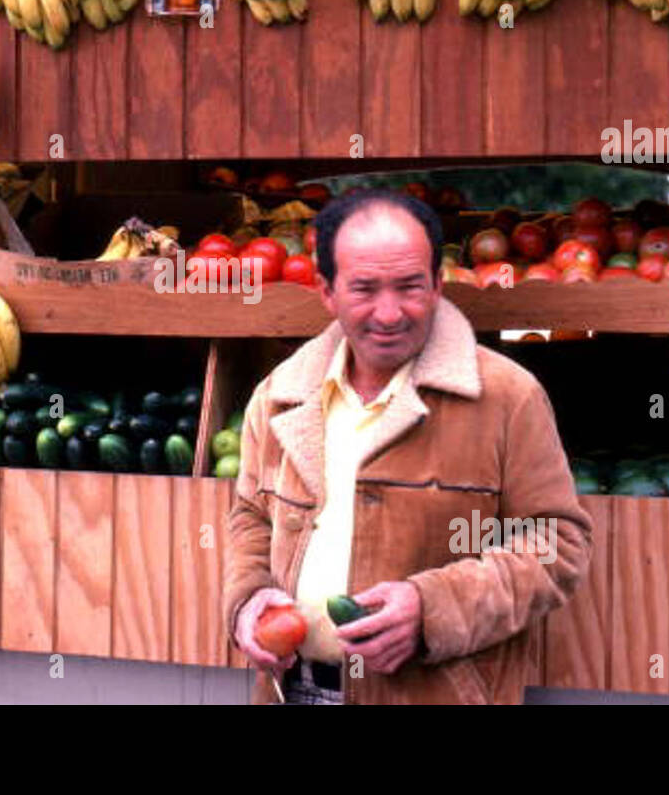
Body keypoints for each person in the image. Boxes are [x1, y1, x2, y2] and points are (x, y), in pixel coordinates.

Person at [223, 189, 594, 705]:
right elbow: (250, 515)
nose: (390, 312)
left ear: (439, 285)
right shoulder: (281, 395)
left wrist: (433, 608)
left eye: (410, 286)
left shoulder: (508, 398)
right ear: (326, 291)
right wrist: (246, 599)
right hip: (296, 690)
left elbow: (557, 543)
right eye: (365, 289)